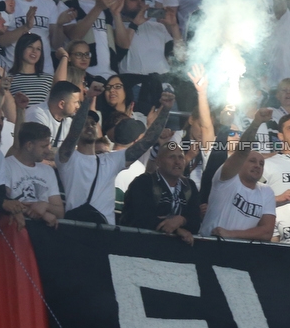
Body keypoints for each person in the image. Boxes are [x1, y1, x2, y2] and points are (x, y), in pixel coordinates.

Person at [58, 86, 174, 224]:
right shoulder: (68, 159)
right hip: (76, 228)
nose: (90, 126)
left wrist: (165, 110)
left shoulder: (111, 160)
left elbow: (147, 141)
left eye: (93, 124)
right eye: (85, 123)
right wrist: (88, 99)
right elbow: (73, 134)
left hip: (105, 231)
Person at [199, 108, 277, 241]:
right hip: (210, 245)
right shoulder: (226, 178)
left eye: (261, 163)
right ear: (241, 163)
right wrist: (256, 122)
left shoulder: (266, 191)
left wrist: (231, 234)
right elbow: (242, 152)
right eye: (252, 161)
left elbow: (266, 232)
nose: (257, 165)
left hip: (242, 252)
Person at [121, 140, 202, 244]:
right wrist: (177, 229)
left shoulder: (189, 185)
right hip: (141, 246)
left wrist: (181, 220)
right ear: (158, 161)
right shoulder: (143, 182)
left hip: (176, 252)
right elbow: (141, 218)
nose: (177, 161)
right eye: (172, 157)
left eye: (181, 157)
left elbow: (195, 222)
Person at [58, 0, 125, 80]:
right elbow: (74, 36)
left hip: (112, 75)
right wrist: (98, 8)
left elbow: (123, 44)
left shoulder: (107, 4)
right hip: (83, 74)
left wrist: (116, 14)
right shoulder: (67, 2)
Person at [5, 121, 64, 227]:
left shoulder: (48, 171)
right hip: (16, 230)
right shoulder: (6, 165)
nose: (47, 151)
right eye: (43, 146)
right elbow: (4, 200)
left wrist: (45, 206)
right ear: (29, 145)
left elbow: (60, 212)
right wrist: (42, 214)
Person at [262, 113, 290, 205]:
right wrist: (277, 198)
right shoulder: (267, 165)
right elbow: (251, 195)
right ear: (280, 136)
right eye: (289, 128)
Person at [24, 80, 82, 151]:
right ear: (61, 104)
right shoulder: (37, 115)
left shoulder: (69, 121)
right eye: (76, 102)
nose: (78, 106)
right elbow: (36, 153)